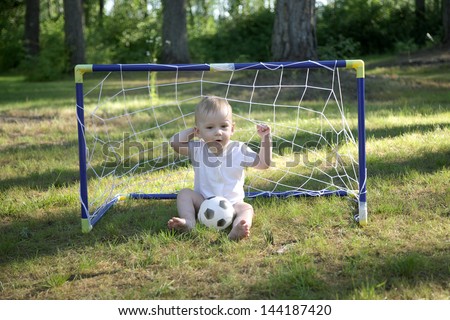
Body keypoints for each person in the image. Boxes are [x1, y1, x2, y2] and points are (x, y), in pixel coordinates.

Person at [168, 96, 272, 241]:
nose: (218, 132)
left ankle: (238, 228)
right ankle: (189, 222)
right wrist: (194, 131)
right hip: (203, 201)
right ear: (198, 132)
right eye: (210, 127)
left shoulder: (239, 150)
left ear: (232, 129)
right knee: (184, 194)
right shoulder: (198, 149)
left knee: (247, 209)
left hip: (233, 204)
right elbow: (174, 143)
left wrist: (265, 138)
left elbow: (263, 164)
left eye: (224, 126)